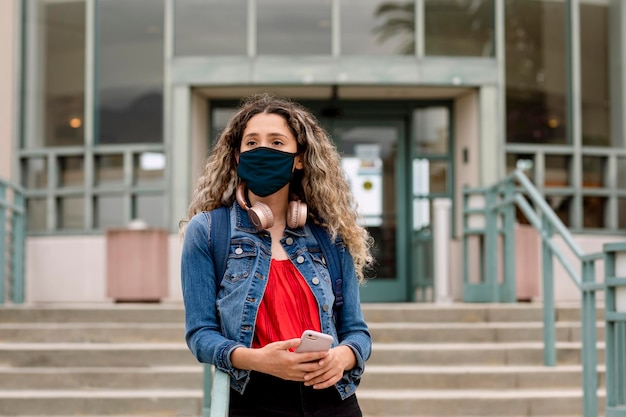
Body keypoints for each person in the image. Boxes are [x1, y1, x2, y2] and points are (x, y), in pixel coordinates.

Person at [180, 93, 373, 417]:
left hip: (332, 399)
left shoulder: (329, 234)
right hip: (252, 400)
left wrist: (343, 357)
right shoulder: (209, 232)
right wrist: (256, 359)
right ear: (238, 156)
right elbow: (200, 335)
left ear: (299, 158)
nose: (263, 151)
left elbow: (357, 331)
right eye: (252, 143)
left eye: (277, 142)